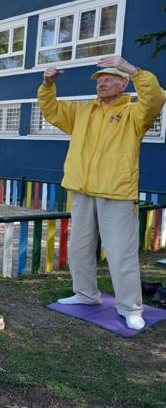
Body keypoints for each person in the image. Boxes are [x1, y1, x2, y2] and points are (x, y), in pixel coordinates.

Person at [39, 56, 165, 330]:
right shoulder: (83, 110)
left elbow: (155, 98)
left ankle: (130, 308)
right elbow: (51, 111)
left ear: (123, 84)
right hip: (82, 190)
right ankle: (85, 294)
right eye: (99, 80)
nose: (102, 83)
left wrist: (132, 68)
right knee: (79, 248)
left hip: (116, 192)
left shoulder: (135, 113)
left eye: (109, 79)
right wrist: (47, 85)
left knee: (121, 254)